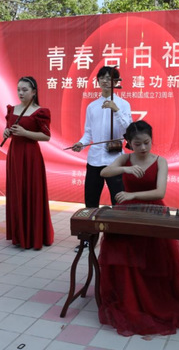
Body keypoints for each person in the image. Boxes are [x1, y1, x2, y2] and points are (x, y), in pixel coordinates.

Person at [98, 121, 179, 336]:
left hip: (153, 211)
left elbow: (160, 192)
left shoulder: (160, 161)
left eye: (147, 142)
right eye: (137, 144)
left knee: (153, 258)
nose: (143, 148)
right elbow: (104, 172)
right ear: (129, 143)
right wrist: (125, 168)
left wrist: (132, 195)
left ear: (152, 140)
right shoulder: (126, 159)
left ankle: (152, 299)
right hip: (128, 213)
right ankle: (131, 298)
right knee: (124, 253)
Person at [71, 66, 132, 249]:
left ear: (116, 82)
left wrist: (116, 110)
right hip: (95, 160)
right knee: (91, 202)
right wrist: (81, 143)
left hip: (115, 162)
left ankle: (119, 240)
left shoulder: (123, 104)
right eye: (102, 77)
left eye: (110, 78)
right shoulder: (92, 106)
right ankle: (88, 239)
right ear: (97, 81)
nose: (106, 81)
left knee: (118, 202)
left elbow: (128, 131)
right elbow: (88, 133)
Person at [4, 76, 54, 250]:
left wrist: (25, 132)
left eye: (25, 90)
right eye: (19, 89)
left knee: (31, 191)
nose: (21, 93)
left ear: (34, 92)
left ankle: (33, 235)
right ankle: (19, 235)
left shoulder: (40, 112)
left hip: (31, 156)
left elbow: (46, 136)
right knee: (16, 191)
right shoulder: (12, 110)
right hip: (14, 155)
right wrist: (6, 133)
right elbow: (9, 130)